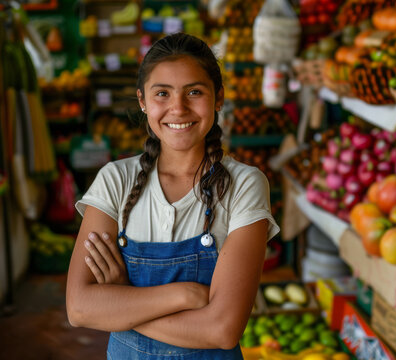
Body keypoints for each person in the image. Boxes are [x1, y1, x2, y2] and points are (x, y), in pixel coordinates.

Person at [66, 32, 280, 359]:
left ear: (218, 98)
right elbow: (80, 308)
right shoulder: (115, 181)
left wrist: (122, 301)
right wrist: (185, 295)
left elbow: (222, 330)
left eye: (194, 92)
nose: (178, 108)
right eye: (162, 93)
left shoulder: (245, 185)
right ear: (142, 101)